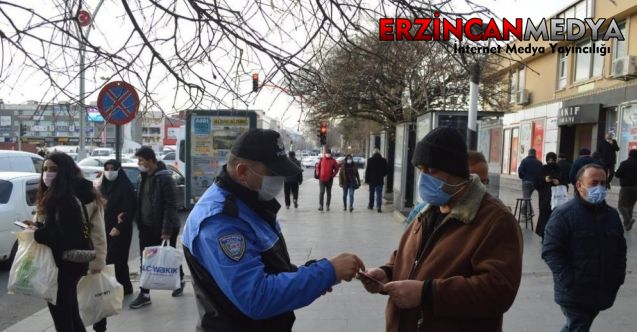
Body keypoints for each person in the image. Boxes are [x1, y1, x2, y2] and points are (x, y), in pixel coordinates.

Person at [182, 129, 364, 331]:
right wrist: (327, 272)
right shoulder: (220, 221)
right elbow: (256, 297)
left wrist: (316, 274)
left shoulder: (251, 203)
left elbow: (270, 268)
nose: (279, 180)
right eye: (273, 173)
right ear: (243, 172)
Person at [359, 127, 523, 331]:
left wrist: (426, 294)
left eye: (432, 170)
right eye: (421, 169)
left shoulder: (495, 219)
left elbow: (498, 290)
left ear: (456, 171)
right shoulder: (428, 211)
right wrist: (387, 273)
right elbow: (412, 259)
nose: (424, 177)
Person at [26, 152, 106, 332]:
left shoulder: (67, 197)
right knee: (69, 310)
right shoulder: (56, 192)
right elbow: (56, 225)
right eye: (45, 169)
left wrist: (39, 233)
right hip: (67, 262)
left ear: (64, 171)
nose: (48, 173)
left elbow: (86, 233)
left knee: (63, 315)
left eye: (53, 169)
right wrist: (38, 226)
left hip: (63, 262)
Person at [543, 164, 626, 332]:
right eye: (594, 183)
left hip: (601, 290)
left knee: (577, 326)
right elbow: (551, 251)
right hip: (574, 292)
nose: (600, 188)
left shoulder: (611, 215)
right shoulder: (564, 214)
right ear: (579, 185)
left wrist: (617, 277)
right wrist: (569, 281)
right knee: (578, 325)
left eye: (603, 183)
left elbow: (620, 249)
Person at [129, 146, 184, 309]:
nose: (139, 163)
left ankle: (179, 281)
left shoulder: (165, 178)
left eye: (141, 160)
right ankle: (144, 294)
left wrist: (166, 231)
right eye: (138, 160)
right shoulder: (143, 177)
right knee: (145, 260)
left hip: (164, 227)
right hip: (146, 226)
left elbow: (170, 205)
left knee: (169, 256)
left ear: (151, 160)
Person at [405, 150, 490, 226]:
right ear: (457, 179)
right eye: (474, 180)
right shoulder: (420, 212)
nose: (480, 187)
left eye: (484, 181)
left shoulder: (490, 217)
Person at [534, 152, 562, 239]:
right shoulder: (543, 169)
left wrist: (558, 182)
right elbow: (536, 183)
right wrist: (544, 179)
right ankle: (543, 234)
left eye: (552, 160)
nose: (550, 162)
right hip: (544, 196)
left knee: (555, 215)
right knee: (544, 215)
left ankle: (553, 234)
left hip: (556, 197)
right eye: (549, 160)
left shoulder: (559, 169)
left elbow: (565, 180)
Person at [615, 149, 637, 231]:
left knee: (621, 206)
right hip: (636, 188)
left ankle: (628, 219)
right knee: (630, 206)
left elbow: (617, 174)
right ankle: (627, 225)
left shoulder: (624, 163)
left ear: (629, 155)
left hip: (626, 188)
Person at [518, 148, 542, 219]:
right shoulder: (539, 163)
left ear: (528, 153)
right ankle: (523, 212)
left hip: (526, 182)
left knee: (526, 198)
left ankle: (530, 212)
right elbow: (541, 173)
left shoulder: (524, 161)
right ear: (535, 154)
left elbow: (520, 171)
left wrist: (523, 177)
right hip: (534, 183)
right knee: (527, 197)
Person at [316, 147, 339, 212]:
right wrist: (318, 173)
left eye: (329, 154)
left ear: (330, 154)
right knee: (321, 192)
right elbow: (318, 167)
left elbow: (337, 168)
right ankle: (321, 205)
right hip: (322, 179)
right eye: (327, 153)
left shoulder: (333, 161)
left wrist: (333, 175)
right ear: (325, 154)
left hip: (329, 179)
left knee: (328, 193)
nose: (328, 155)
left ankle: (327, 205)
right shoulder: (322, 159)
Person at [365, 148, 388, 212]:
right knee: (379, 194)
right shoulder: (383, 160)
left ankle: (371, 205)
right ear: (379, 153)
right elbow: (386, 171)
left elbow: (368, 171)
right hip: (380, 180)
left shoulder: (370, 160)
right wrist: (382, 175)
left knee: (371, 193)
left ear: (373, 153)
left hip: (371, 181)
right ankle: (379, 207)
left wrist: (366, 180)